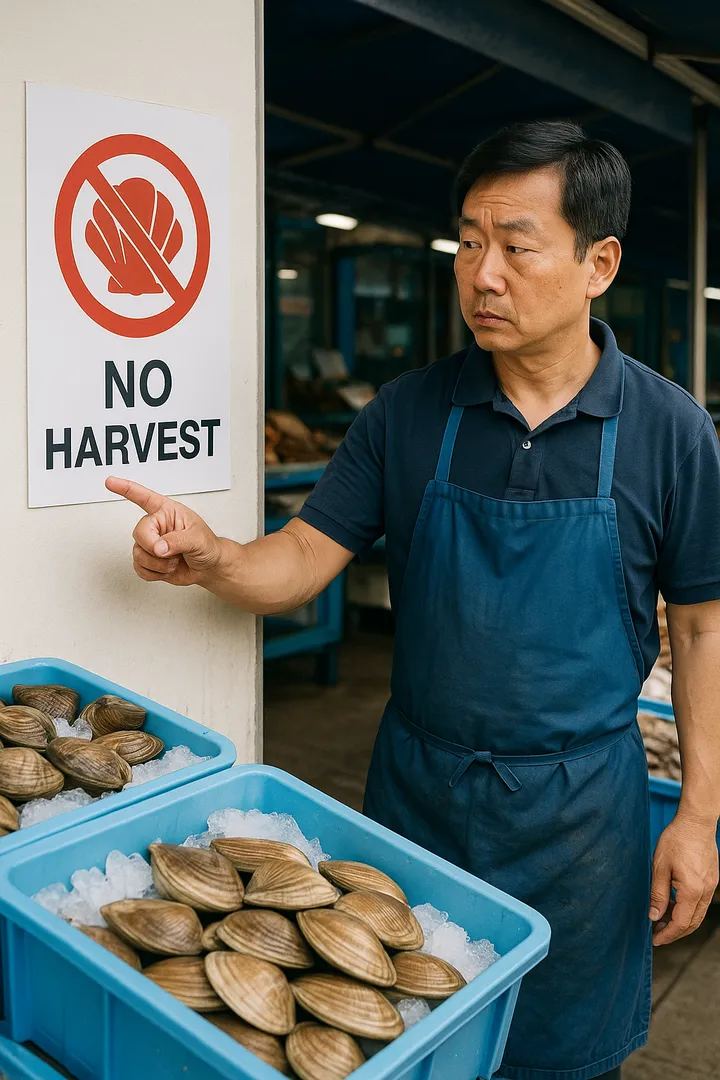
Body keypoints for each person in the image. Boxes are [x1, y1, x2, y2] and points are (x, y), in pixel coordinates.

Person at [108, 120, 720, 1080]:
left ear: (598, 263)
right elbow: (304, 555)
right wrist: (216, 557)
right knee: (402, 1047)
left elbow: (700, 624)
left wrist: (696, 815)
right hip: (417, 806)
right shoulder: (408, 411)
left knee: (559, 1061)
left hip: (582, 823)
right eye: (469, 243)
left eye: (516, 247)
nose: (483, 274)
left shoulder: (671, 431)